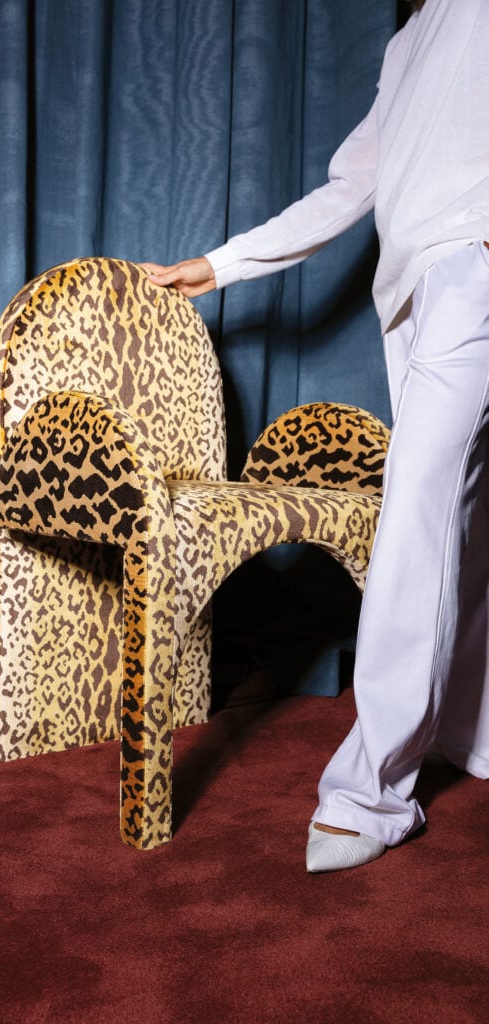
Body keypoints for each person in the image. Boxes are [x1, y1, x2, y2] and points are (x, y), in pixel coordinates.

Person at [142, 0, 489, 872]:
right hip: (413, 291)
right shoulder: (411, 38)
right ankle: (467, 729)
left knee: (414, 512)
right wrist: (222, 266)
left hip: (473, 270)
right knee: (461, 520)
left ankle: (367, 791)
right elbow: (351, 185)